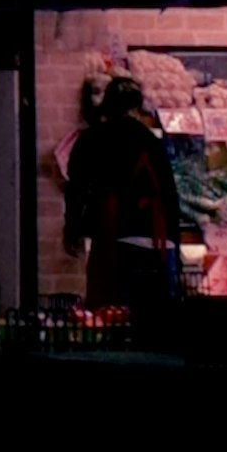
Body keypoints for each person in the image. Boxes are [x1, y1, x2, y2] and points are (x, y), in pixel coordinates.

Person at [62, 70, 186, 315]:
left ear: (107, 107)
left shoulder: (93, 138)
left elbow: (76, 188)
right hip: (159, 245)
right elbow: (171, 197)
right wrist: (176, 249)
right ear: (138, 108)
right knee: (153, 326)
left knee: (113, 321)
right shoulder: (153, 142)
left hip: (115, 243)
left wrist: (73, 229)